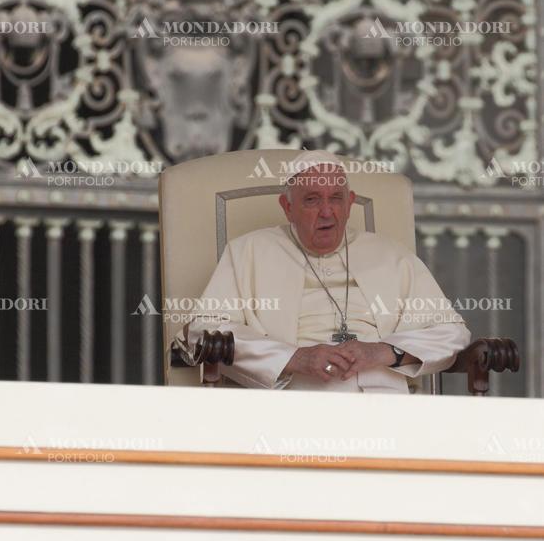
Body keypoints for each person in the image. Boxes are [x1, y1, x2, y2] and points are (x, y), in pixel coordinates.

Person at [177, 150, 470, 393]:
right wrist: (295, 358)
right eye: (312, 200)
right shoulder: (248, 252)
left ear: (350, 203)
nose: (327, 212)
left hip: (384, 401)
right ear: (287, 207)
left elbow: (452, 332)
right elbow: (203, 333)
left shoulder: (392, 256)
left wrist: (384, 352)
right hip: (293, 403)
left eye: (336, 199)